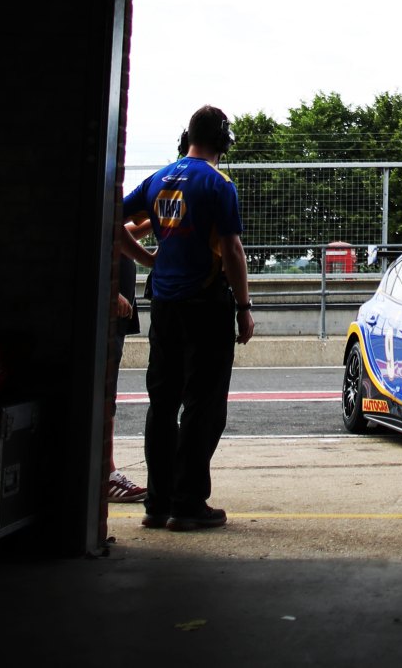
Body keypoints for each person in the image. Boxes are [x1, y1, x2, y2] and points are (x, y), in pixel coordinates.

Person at [122, 105, 255, 531]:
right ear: (223, 142)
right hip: (205, 305)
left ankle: (157, 503)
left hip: (163, 304)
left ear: (188, 136)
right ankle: (188, 503)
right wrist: (244, 307)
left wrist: (148, 260)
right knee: (203, 404)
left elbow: (112, 217)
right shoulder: (219, 184)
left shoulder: (159, 178)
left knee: (162, 404)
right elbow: (232, 251)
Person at [102, 218, 155, 507]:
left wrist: (153, 223)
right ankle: (106, 472)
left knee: (106, 392)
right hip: (109, 305)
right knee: (104, 393)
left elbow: (119, 233)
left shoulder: (111, 200)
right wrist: (109, 290)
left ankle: (105, 469)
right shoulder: (105, 190)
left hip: (116, 308)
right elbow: (105, 233)